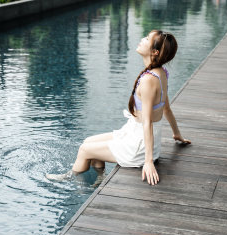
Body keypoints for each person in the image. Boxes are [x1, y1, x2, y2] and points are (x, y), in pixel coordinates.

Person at [46, 30, 191, 186]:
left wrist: (148, 161)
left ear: (155, 52)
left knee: (84, 150)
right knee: (88, 141)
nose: (142, 39)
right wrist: (177, 134)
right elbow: (166, 109)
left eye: (147, 39)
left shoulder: (149, 80)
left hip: (139, 145)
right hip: (136, 135)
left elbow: (147, 122)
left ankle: (69, 178)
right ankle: (101, 177)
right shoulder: (161, 73)